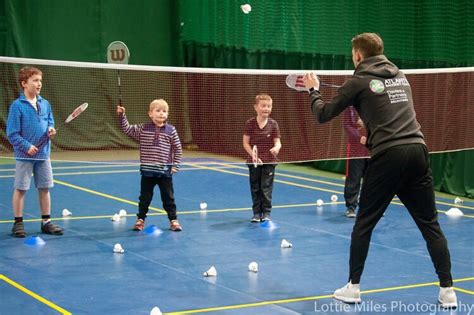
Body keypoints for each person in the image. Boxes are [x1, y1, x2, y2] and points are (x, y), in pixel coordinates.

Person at [303, 33, 457, 308]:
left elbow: (322, 114)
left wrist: (313, 90)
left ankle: (353, 287)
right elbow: (389, 110)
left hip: (389, 157)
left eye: (353, 54)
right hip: (418, 150)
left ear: (359, 56)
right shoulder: (400, 75)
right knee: (430, 226)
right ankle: (448, 291)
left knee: (364, 224)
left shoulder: (358, 81)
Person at [6, 66, 64, 237]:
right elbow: (12, 133)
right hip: (24, 155)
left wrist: (51, 129)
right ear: (24, 83)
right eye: (35, 80)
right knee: (21, 188)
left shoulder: (45, 104)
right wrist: (26, 146)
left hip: (43, 154)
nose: (39, 84)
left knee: (45, 188)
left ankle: (46, 222)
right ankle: (18, 223)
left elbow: (49, 121)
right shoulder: (17, 106)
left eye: (40, 81)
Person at [117, 99, 183, 232]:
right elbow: (127, 129)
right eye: (158, 111)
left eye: (164, 111)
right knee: (144, 198)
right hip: (147, 172)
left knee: (168, 198)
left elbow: (178, 148)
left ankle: (173, 220)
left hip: (165, 172)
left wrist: (175, 165)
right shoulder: (143, 128)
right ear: (150, 114)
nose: (161, 114)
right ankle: (140, 220)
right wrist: (122, 115)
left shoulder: (171, 130)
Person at [243, 94, 281, 222]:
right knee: (255, 187)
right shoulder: (250, 123)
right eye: (263, 106)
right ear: (256, 107)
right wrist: (254, 156)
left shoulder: (273, 124)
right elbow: (245, 143)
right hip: (254, 161)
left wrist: (276, 148)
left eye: (269, 106)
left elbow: (278, 142)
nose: (266, 108)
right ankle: (256, 213)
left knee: (266, 187)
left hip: (269, 161)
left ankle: (266, 213)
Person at [343, 106, 369, 218]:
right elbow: (347, 125)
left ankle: (371, 207)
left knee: (373, 178)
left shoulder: (373, 104)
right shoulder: (350, 107)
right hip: (355, 148)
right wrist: (359, 137)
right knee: (354, 178)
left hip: (372, 147)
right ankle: (351, 207)